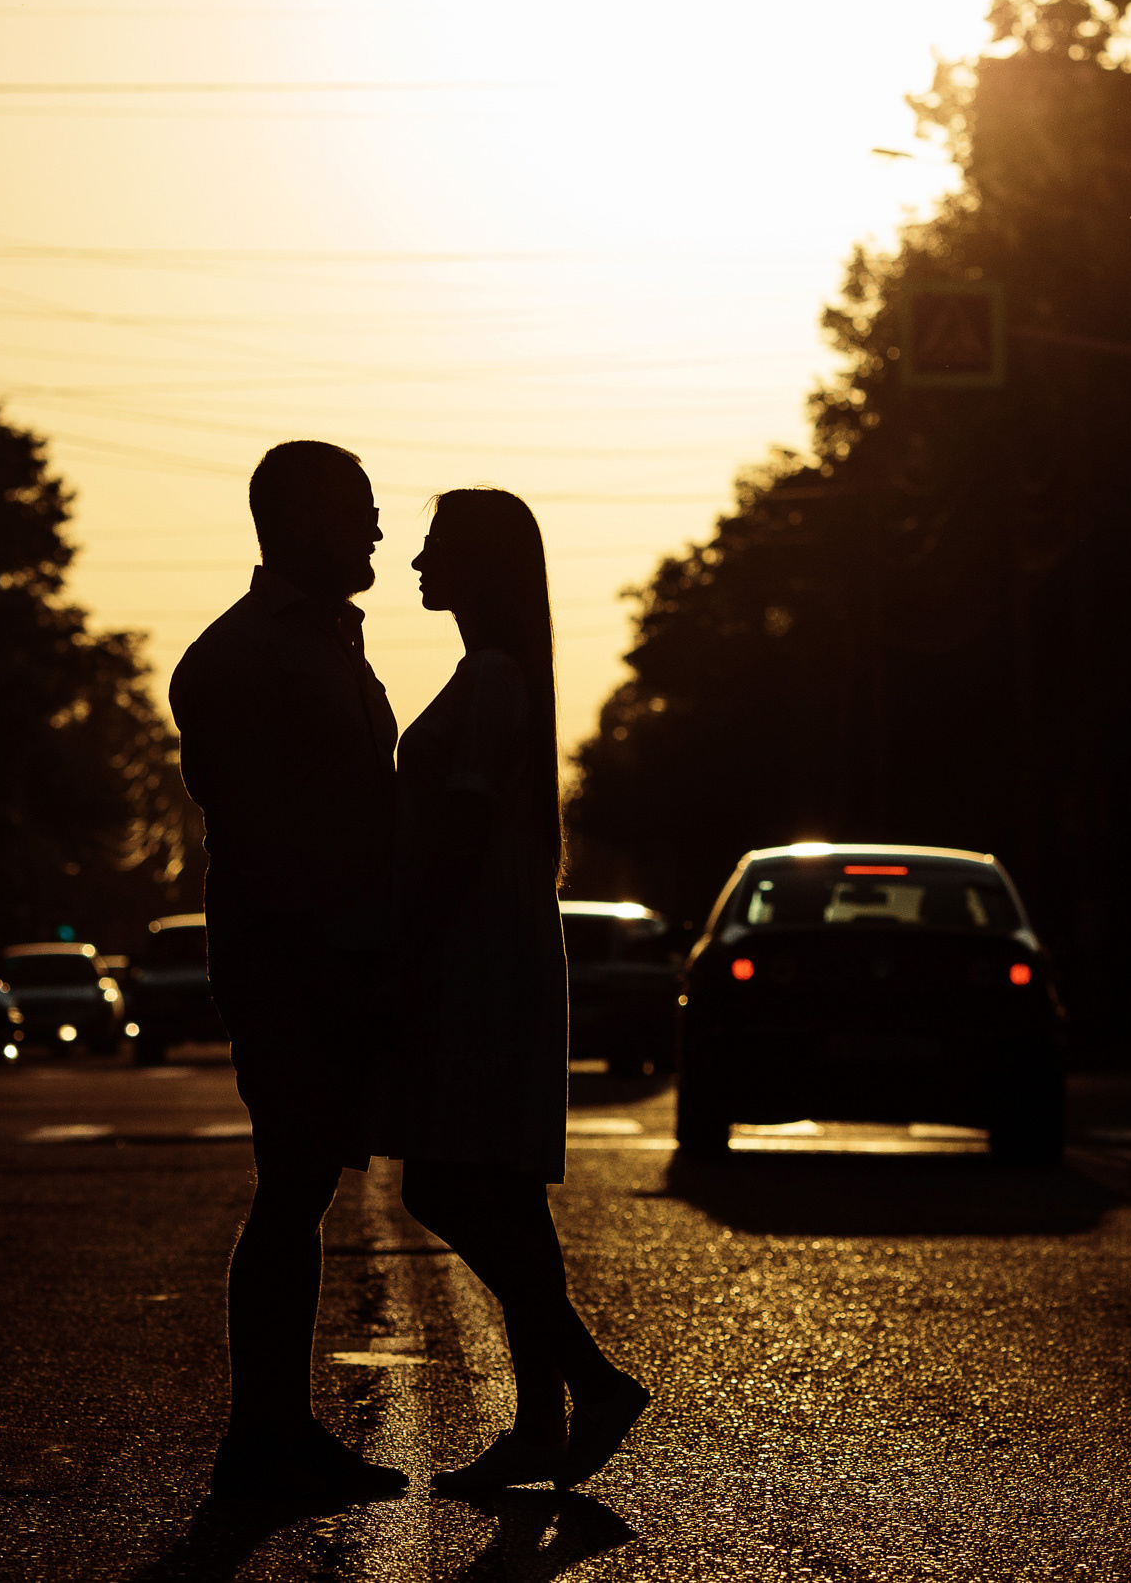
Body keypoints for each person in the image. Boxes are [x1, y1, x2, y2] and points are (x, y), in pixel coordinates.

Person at [379, 486, 649, 1494]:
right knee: (496, 1191)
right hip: (487, 947)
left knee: (445, 1181)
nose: (414, 562)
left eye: (434, 545)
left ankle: (588, 1382)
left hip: (476, 955)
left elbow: (458, 831)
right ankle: (543, 1422)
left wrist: (405, 949)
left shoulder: (492, 678)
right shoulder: (491, 675)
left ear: (480, 564)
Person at [168, 440, 409, 1502]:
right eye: (358, 509)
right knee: (291, 1188)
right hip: (292, 964)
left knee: (300, 1189)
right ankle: (259, 1439)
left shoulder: (331, 644)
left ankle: (276, 1430)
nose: (375, 530)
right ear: (297, 519)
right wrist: (327, 969)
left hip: (338, 961)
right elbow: (262, 844)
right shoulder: (238, 660)